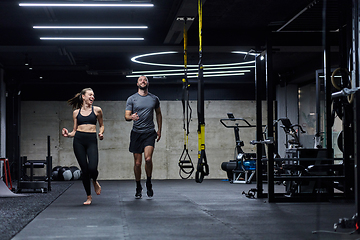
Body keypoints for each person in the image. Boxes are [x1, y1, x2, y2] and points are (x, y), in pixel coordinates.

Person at [62, 88, 104, 205]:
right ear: (83, 96)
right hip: (79, 141)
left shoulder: (97, 110)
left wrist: (101, 133)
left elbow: (101, 125)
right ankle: (89, 197)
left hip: (91, 140)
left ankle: (94, 180)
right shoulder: (76, 113)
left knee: (92, 168)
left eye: (93, 95)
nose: (93, 97)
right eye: (90, 95)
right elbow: (74, 131)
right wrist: (68, 134)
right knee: (84, 170)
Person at [125, 75, 162, 199]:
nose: (143, 81)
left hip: (149, 133)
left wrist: (159, 130)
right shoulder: (132, 99)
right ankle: (138, 186)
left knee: (148, 159)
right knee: (137, 163)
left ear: (148, 83)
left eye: (145, 80)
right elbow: (126, 116)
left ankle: (149, 182)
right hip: (136, 133)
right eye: (140, 80)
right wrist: (132, 117)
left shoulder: (154, 98)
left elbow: (158, 114)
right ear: (137, 84)